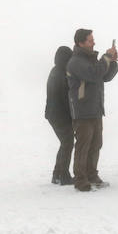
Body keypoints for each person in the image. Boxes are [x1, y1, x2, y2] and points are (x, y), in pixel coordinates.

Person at [66, 29, 118, 192]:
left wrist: (113, 62)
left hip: (95, 109)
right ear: (80, 43)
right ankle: (81, 180)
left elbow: (104, 76)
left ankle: (92, 175)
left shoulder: (91, 60)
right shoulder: (76, 62)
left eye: (93, 40)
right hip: (83, 111)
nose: (93, 42)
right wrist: (106, 58)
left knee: (96, 144)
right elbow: (95, 74)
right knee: (83, 146)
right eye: (90, 40)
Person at [44, 46, 74, 185]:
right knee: (67, 143)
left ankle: (57, 174)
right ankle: (63, 175)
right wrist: (72, 115)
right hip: (60, 115)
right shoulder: (62, 73)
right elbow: (64, 98)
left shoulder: (55, 71)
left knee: (65, 143)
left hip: (53, 114)